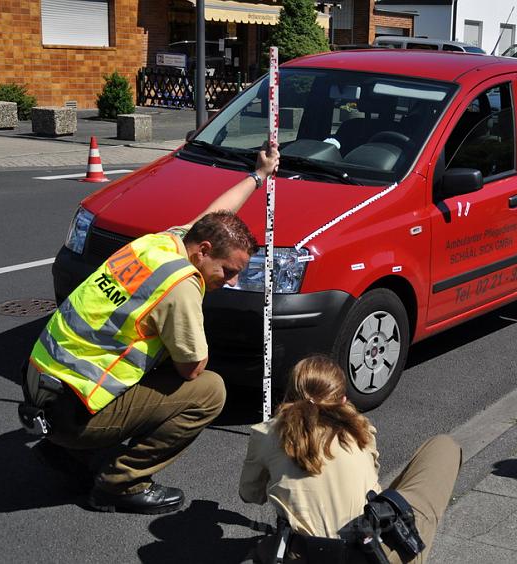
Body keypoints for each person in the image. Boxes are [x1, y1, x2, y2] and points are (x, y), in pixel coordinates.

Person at [23, 143, 280, 515]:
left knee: (149, 354)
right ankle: (120, 483)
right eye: (228, 271)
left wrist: (259, 176)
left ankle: (68, 452)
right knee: (209, 391)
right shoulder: (181, 283)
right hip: (69, 412)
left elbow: (217, 214)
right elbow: (192, 366)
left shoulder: (162, 243)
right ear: (204, 251)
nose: (233, 281)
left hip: (42, 387)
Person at [239, 355, 462, 563]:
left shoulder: (266, 433)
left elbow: (249, 494)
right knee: (444, 446)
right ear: (343, 400)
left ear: (290, 395)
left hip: (306, 555)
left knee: (266, 548)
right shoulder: (360, 428)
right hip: (374, 553)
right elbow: (371, 485)